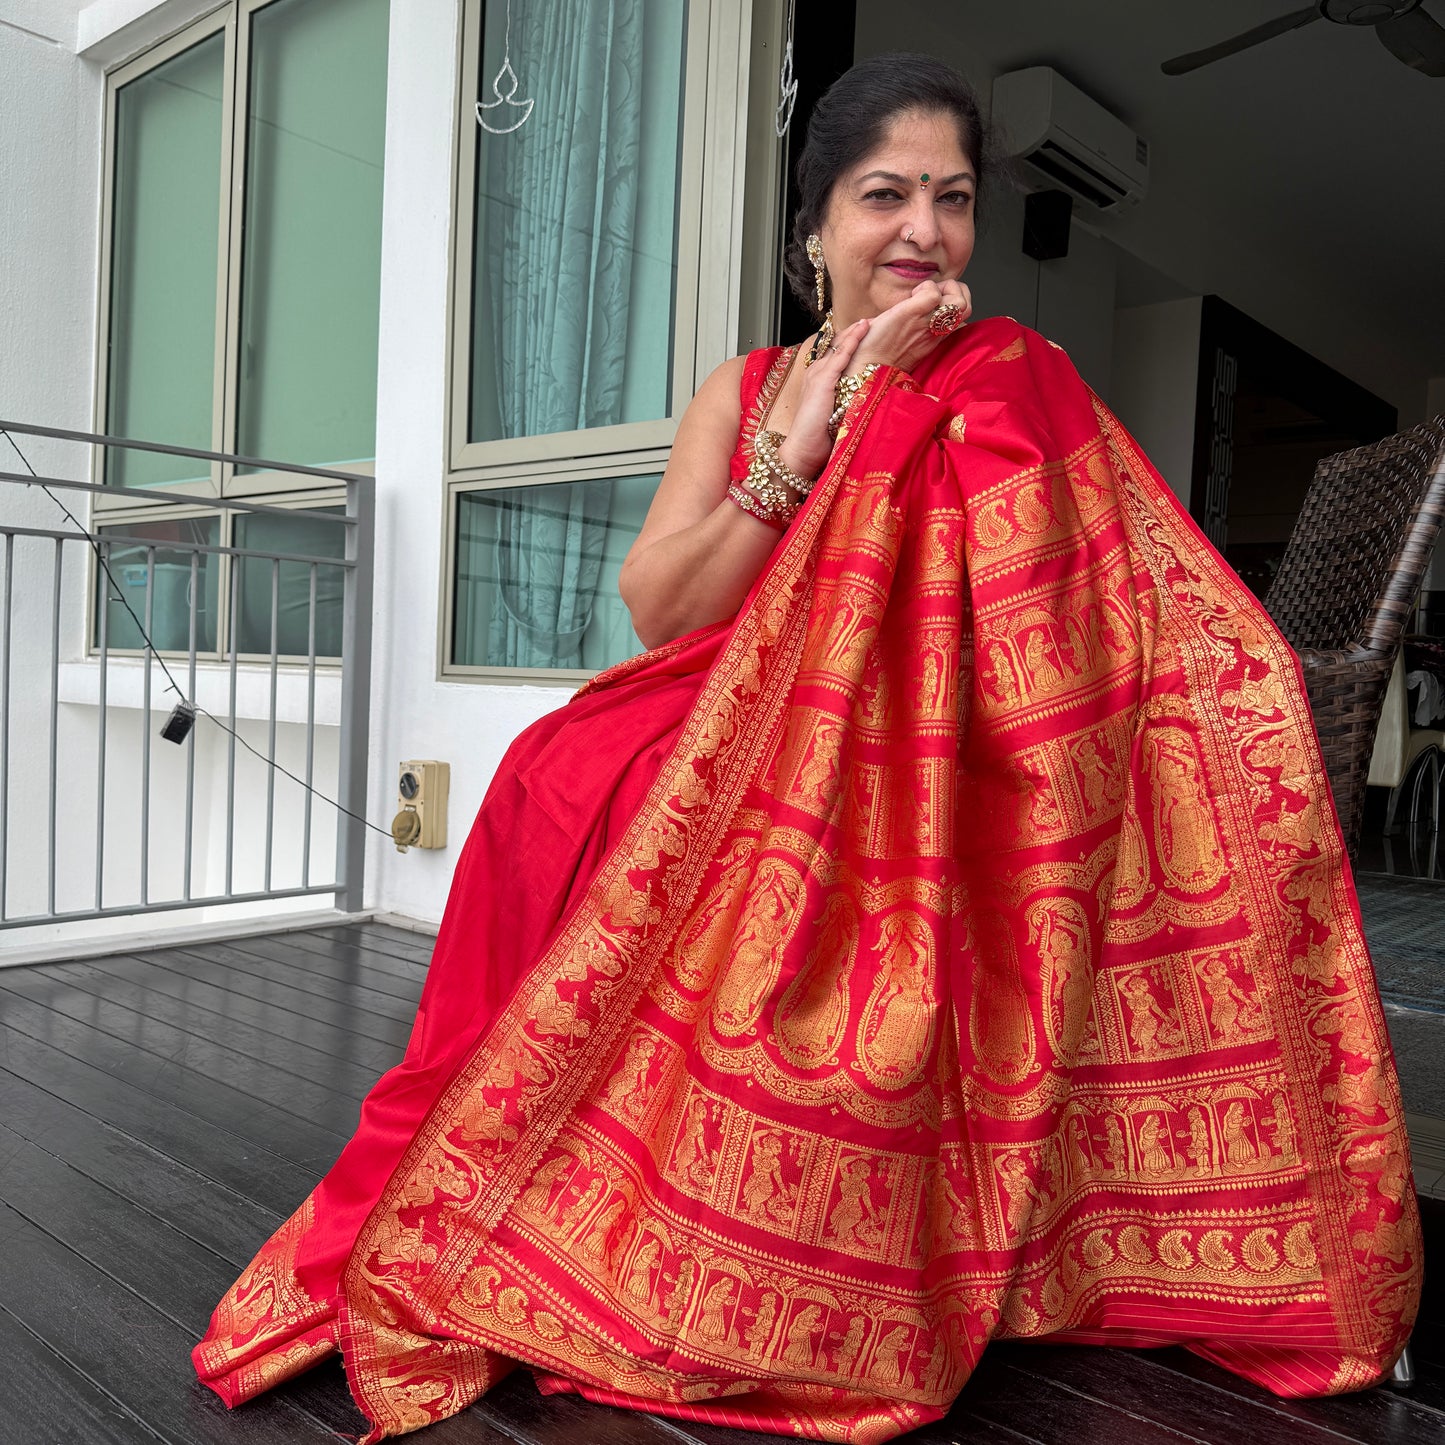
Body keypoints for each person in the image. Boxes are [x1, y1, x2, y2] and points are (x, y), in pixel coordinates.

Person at [194, 52, 1421, 1444]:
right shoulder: (752, 382)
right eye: (883, 193)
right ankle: (583, 1160)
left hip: (951, 736)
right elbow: (667, 608)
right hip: (745, 691)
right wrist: (807, 433)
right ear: (815, 228)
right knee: (560, 766)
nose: (921, 229)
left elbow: (1076, 601)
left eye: (950, 199)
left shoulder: (1018, 377)